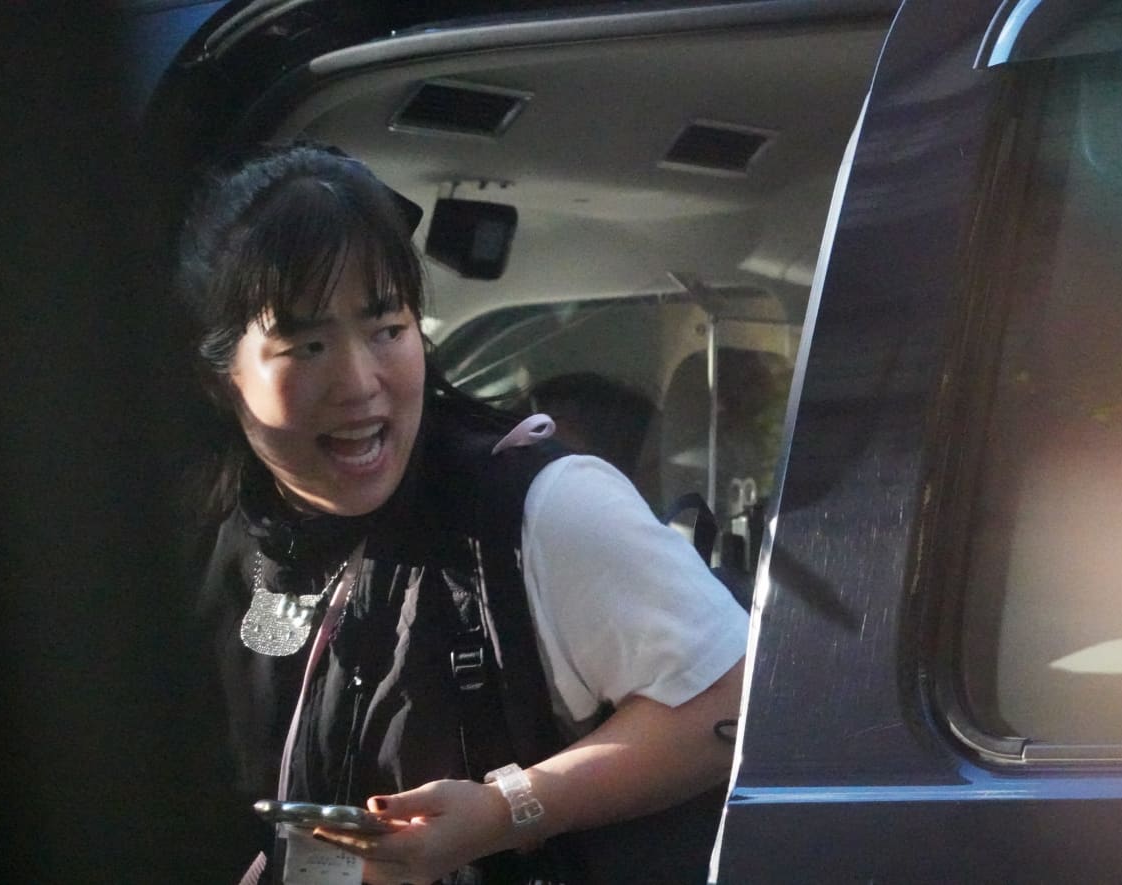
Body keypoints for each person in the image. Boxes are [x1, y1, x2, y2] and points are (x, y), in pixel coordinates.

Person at [175, 142, 749, 885]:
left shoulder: (540, 509)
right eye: (308, 344)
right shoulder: (199, 537)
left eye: (387, 329)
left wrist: (508, 809)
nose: (359, 381)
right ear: (221, 379)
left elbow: (734, 698)